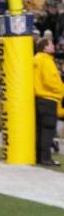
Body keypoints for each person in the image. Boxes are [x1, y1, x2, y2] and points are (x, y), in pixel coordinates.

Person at [33, 37, 64, 167]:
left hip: (39, 98)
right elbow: (50, 80)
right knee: (48, 130)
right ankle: (46, 158)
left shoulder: (36, 59)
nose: (53, 46)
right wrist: (62, 90)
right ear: (45, 47)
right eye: (51, 44)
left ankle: (40, 157)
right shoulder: (46, 60)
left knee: (40, 130)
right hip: (49, 98)